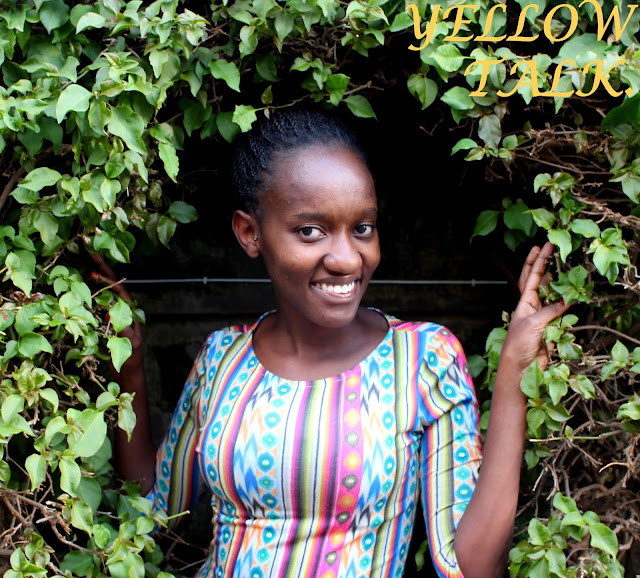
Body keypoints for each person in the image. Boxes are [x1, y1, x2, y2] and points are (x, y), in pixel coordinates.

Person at [96, 108, 569, 578]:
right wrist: (129, 367)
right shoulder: (222, 358)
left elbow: (470, 567)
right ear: (250, 233)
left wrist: (514, 373)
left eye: (362, 228)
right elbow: (152, 513)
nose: (347, 259)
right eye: (311, 231)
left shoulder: (423, 360)